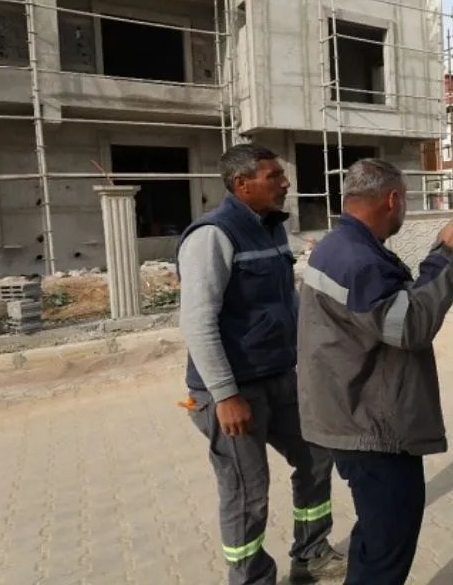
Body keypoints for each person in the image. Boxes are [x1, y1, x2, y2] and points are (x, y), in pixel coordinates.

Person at [176, 143, 346, 585]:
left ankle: (310, 553)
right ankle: (252, 578)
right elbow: (197, 322)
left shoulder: (272, 229)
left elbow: (285, 301)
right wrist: (225, 395)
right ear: (242, 183)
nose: (285, 183)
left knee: (315, 455)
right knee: (248, 491)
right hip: (234, 391)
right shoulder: (212, 235)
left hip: (279, 377)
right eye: (274, 176)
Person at [296, 158, 453, 585]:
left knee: (374, 533)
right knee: (388, 540)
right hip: (370, 426)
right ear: (392, 199)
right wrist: (445, 257)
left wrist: (436, 259)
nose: (405, 208)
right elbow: (409, 326)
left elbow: (389, 307)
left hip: (351, 411)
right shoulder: (357, 260)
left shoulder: (341, 246)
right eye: (406, 200)